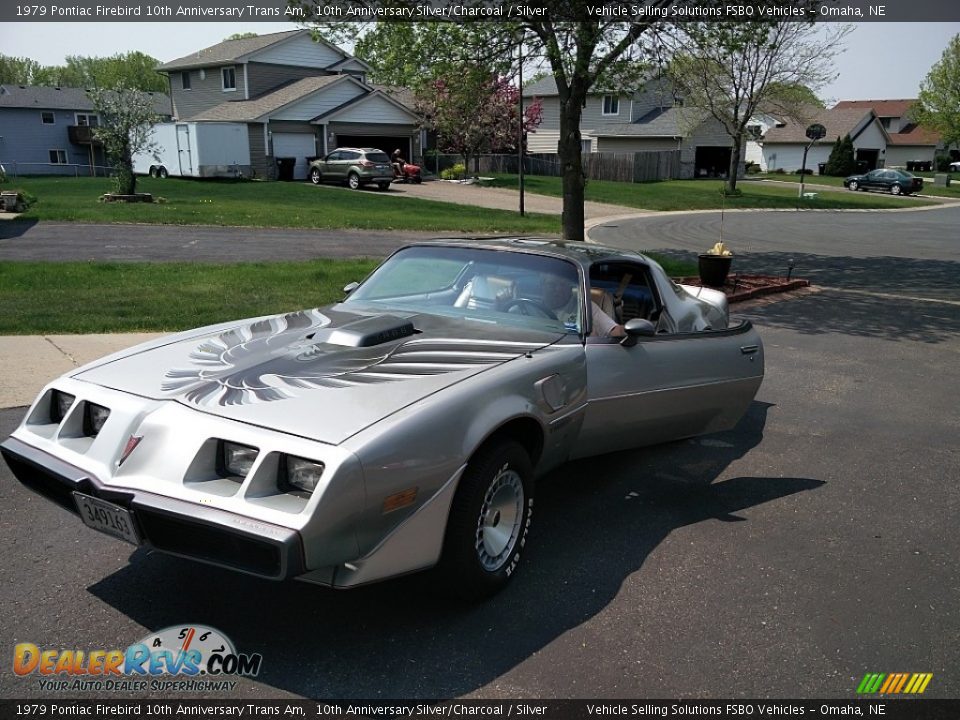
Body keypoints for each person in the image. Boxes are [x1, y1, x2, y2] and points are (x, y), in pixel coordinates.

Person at [541, 274, 625, 338]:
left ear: (570, 287)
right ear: (542, 286)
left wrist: (631, 330)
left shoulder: (585, 307)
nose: (558, 289)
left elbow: (613, 330)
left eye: (563, 284)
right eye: (552, 285)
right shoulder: (530, 307)